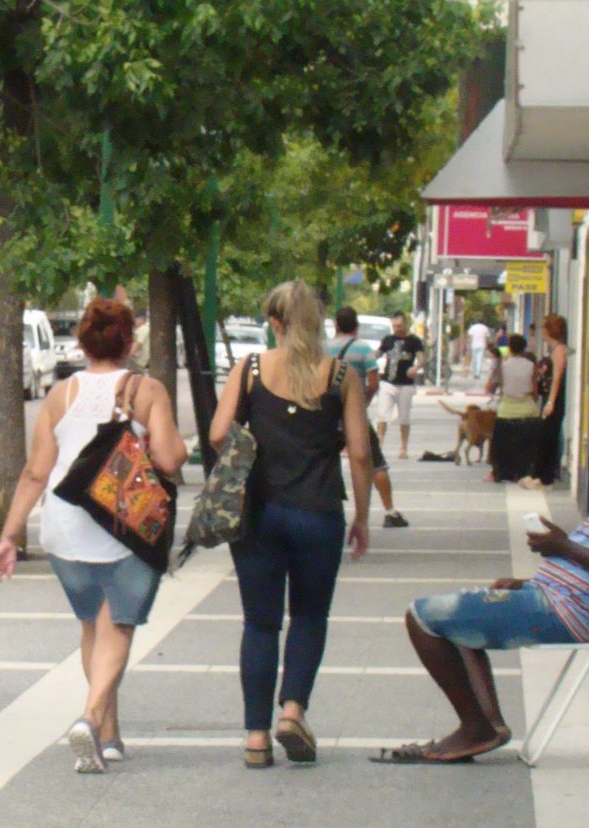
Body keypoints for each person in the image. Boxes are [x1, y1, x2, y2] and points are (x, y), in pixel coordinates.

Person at [377, 404, 589, 764]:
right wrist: (529, 580)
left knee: (421, 616)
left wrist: (562, 546)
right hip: (554, 599)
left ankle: (476, 728)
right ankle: (486, 726)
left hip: (567, 612)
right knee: (461, 614)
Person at [0, 297, 186, 774]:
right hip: (127, 529)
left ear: (84, 342)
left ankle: (109, 736)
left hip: (66, 527)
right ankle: (90, 717)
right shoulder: (148, 391)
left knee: (91, 628)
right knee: (118, 626)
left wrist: (9, 536)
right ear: (129, 342)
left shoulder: (60, 395)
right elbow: (172, 459)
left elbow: (36, 473)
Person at [210, 280, 371, 769]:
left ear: (275, 323)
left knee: (259, 623)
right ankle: (293, 710)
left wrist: (248, 456)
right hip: (318, 512)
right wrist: (363, 517)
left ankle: (256, 738)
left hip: (259, 513)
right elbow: (361, 454)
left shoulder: (251, 369)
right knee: (308, 616)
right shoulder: (341, 375)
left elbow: (218, 434)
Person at [327, 306, 408, 528]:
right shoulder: (363, 350)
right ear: (356, 327)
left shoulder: (322, 349)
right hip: (355, 417)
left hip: (327, 418)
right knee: (376, 464)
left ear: (336, 325)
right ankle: (390, 511)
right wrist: (363, 401)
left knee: (323, 462)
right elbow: (373, 382)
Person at [521, 315, 568, 490]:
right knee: (546, 436)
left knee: (548, 437)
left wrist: (550, 402)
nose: (542, 331)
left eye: (544, 328)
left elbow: (556, 379)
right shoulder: (556, 350)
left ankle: (545, 477)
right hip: (552, 400)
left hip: (554, 401)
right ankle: (540, 475)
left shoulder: (559, 352)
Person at [487, 334, 540, 483]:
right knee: (526, 447)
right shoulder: (531, 366)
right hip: (528, 410)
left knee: (503, 446)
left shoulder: (504, 366)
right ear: (524, 348)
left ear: (509, 348)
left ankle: (503, 472)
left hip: (506, 410)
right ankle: (524, 471)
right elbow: (535, 392)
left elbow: (497, 386)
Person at [375, 311, 425, 459]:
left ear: (406, 324)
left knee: (404, 418)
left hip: (405, 385)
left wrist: (416, 368)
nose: (397, 328)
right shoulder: (388, 340)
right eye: (394, 326)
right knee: (382, 415)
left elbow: (422, 358)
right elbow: (378, 353)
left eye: (400, 325)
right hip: (387, 382)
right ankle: (379, 445)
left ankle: (404, 447)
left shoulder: (414, 340)